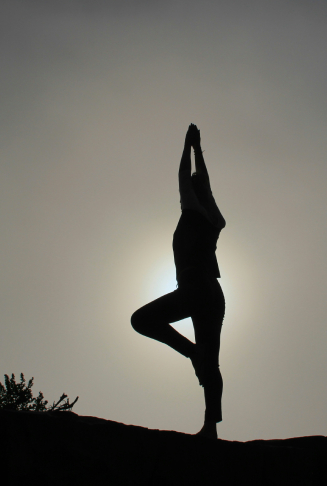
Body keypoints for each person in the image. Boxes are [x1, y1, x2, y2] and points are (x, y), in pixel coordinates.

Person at [130, 123, 226, 439]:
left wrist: (188, 148)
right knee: (212, 362)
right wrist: (199, 150)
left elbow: (188, 179)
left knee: (141, 320)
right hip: (214, 292)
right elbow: (206, 184)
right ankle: (211, 427)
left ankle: (191, 353)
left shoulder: (193, 210)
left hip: (196, 286)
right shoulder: (214, 219)